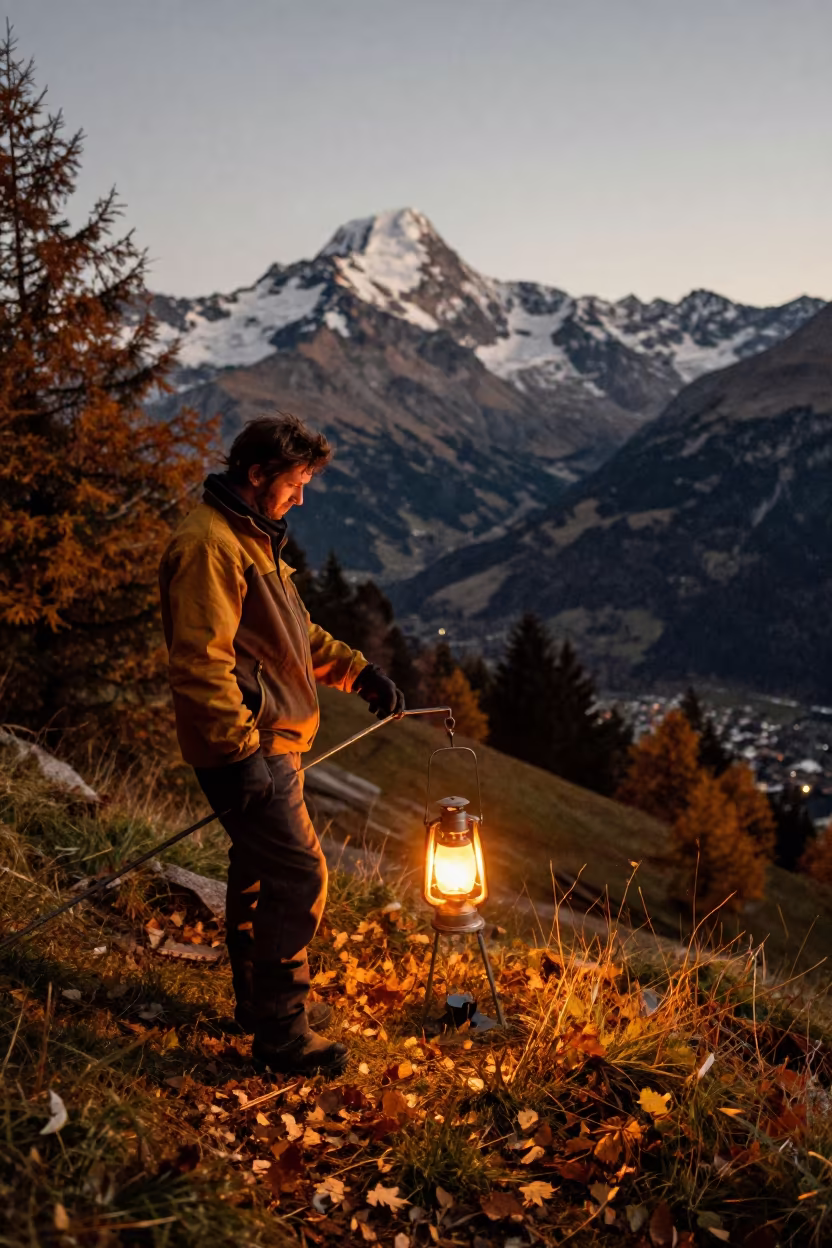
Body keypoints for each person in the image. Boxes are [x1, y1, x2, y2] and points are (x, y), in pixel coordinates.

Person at [158, 414, 404, 1076]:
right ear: (258, 474)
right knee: (299, 874)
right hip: (248, 744)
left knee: (261, 870)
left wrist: (358, 671)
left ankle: (258, 1006)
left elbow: (291, 633)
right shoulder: (210, 546)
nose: (303, 496)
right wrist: (237, 755)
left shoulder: (250, 537)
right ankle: (281, 1035)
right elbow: (201, 664)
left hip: (267, 743)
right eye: (296, 482)